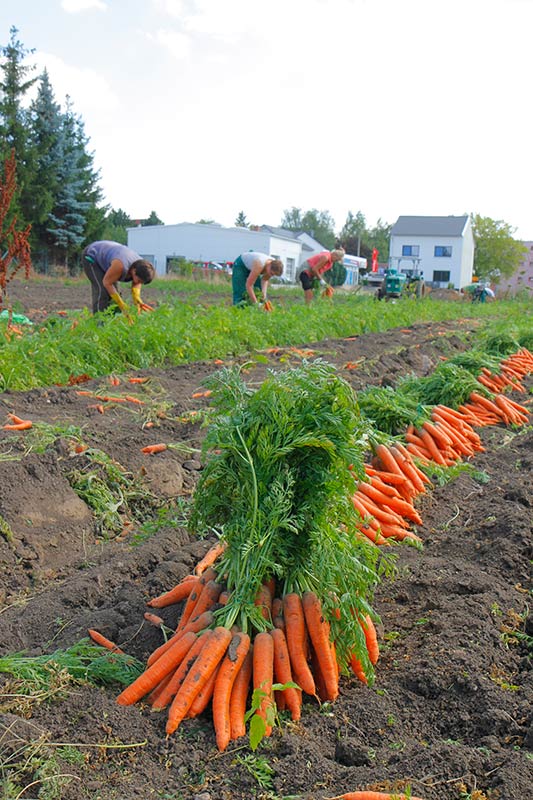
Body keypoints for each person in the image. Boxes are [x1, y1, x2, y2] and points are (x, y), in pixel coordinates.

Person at [82, 240, 155, 315]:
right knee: (102, 291)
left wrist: (137, 298)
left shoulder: (141, 266)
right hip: (92, 255)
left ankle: (116, 319)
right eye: (139, 281)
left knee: (115, 293)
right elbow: (107, 282)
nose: (139, 284)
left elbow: (136, 282)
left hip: (111, 257)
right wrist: (121, 304)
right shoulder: (120, 266)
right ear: (134, 271)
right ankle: (99, 321)